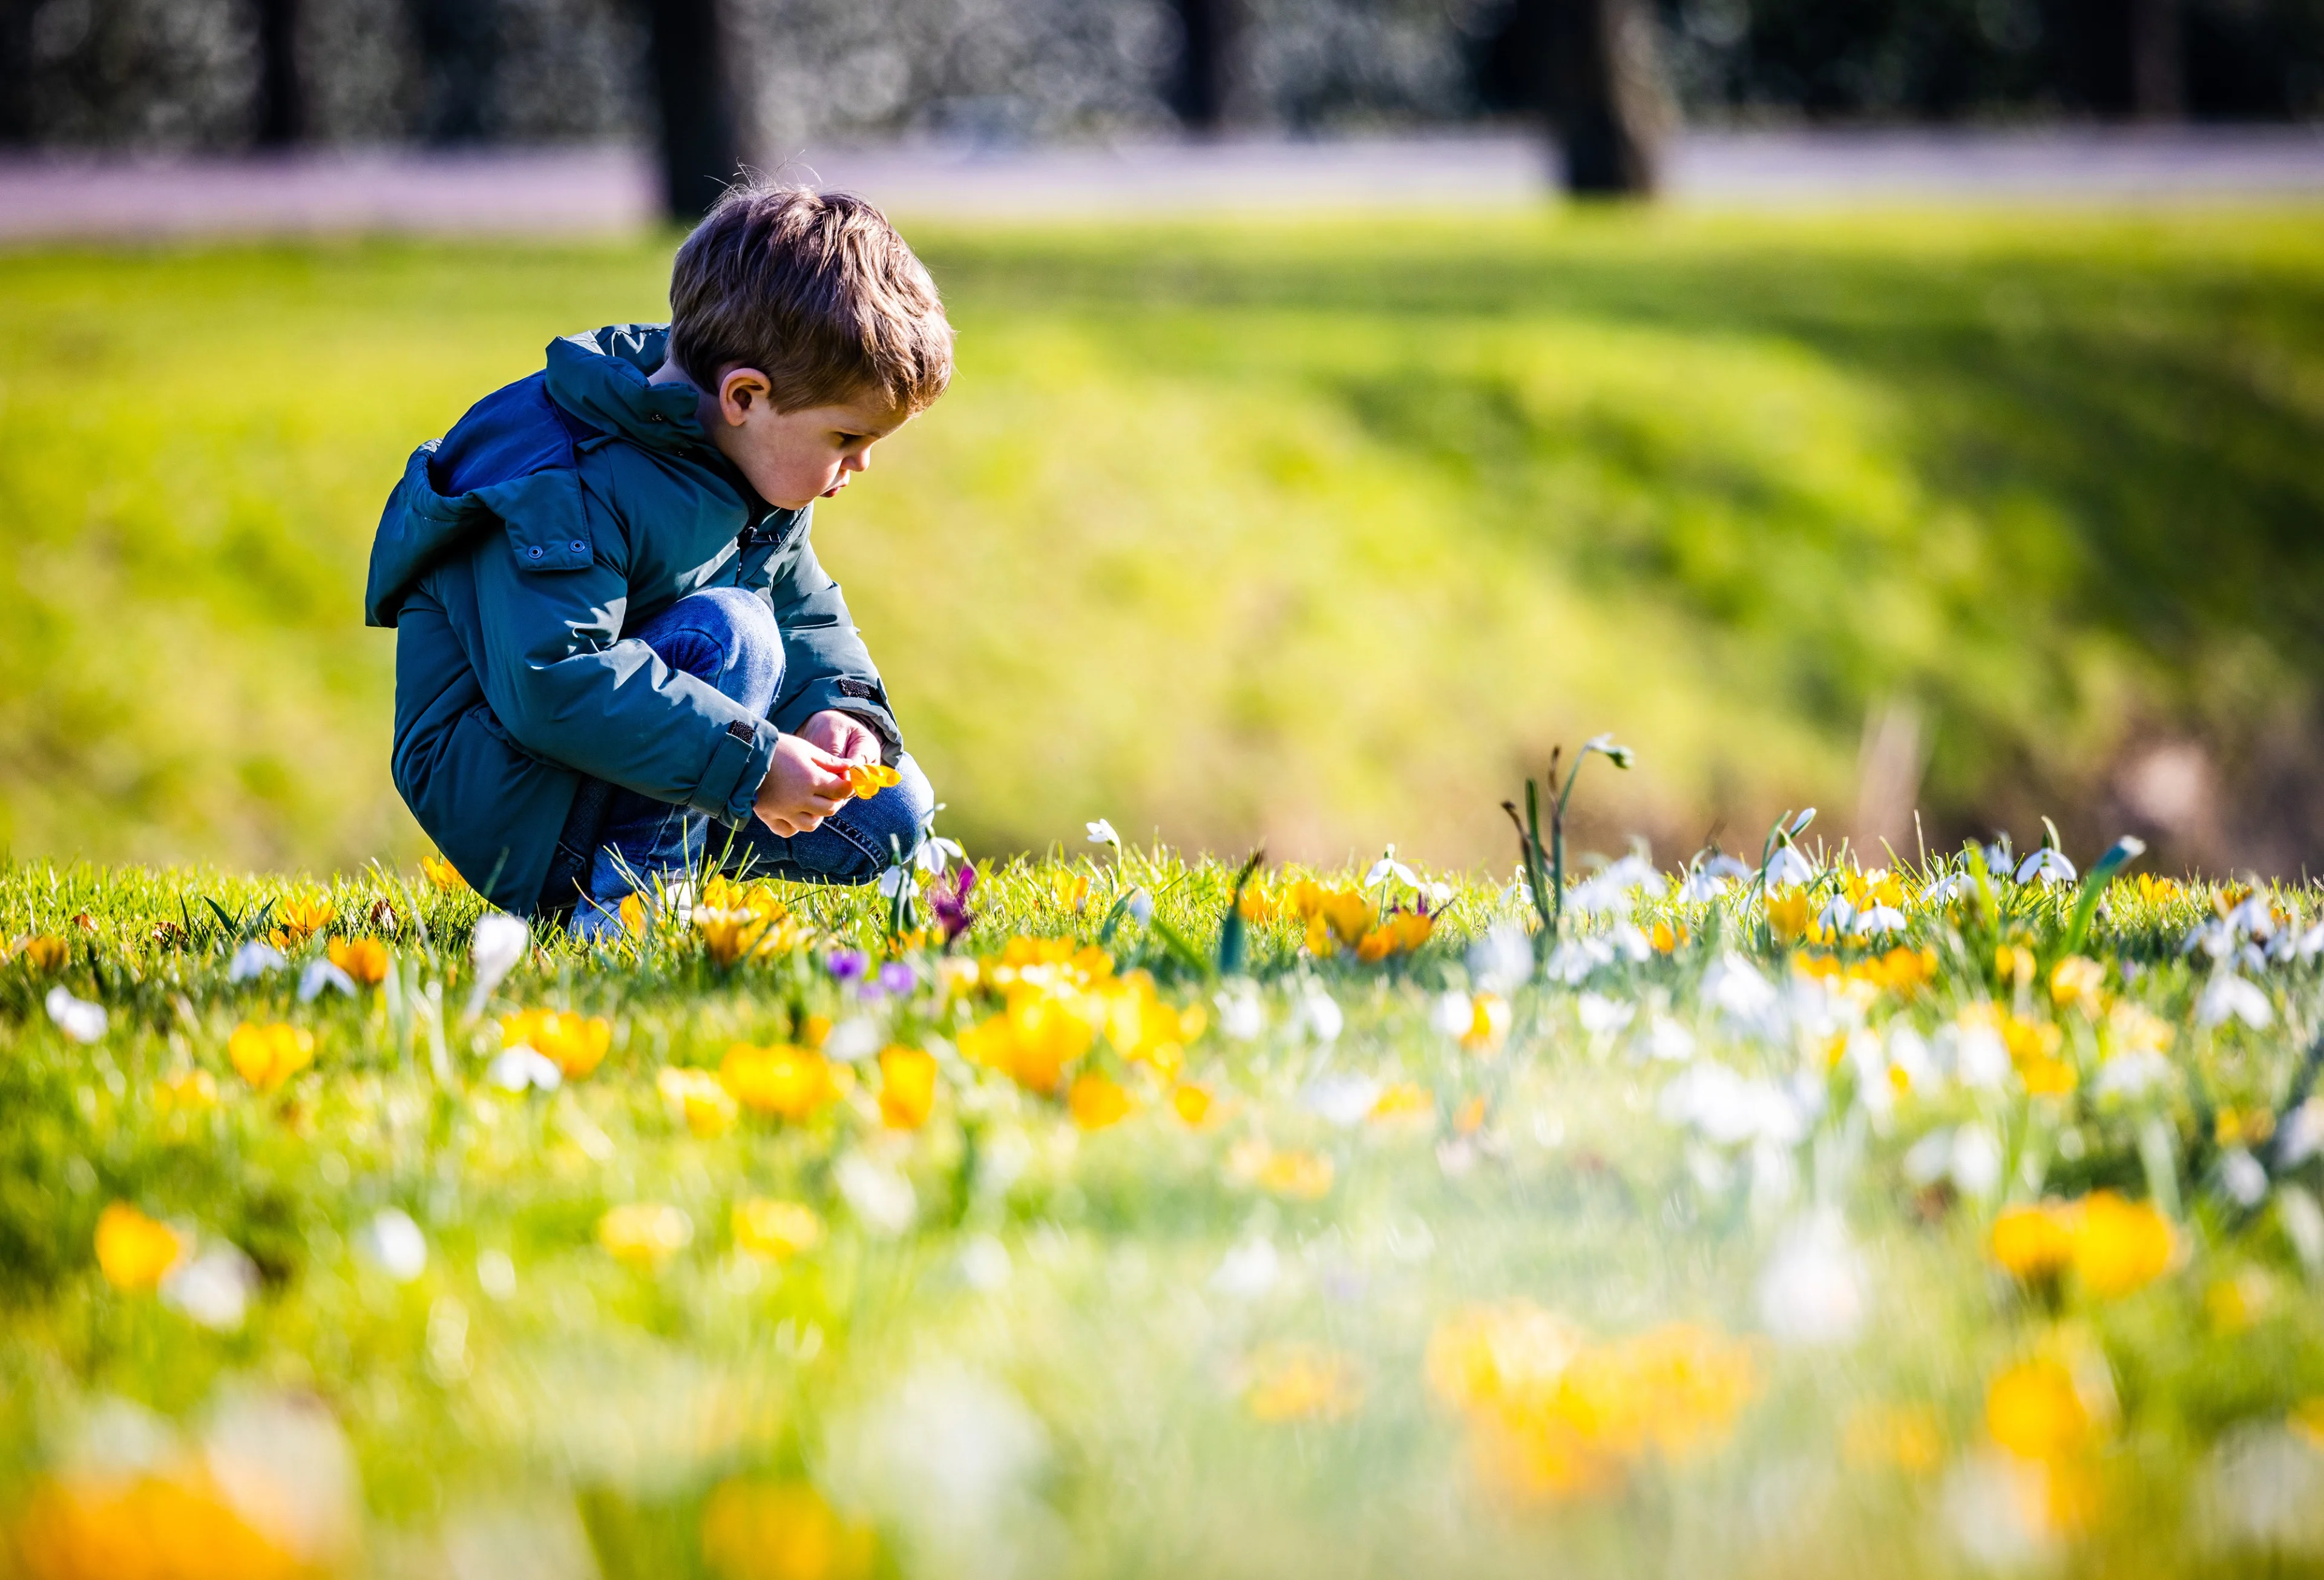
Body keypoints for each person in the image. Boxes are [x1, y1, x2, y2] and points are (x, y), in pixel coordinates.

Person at [363, 185, 948, 935]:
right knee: (731, 631)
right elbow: (554, 684)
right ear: (745, 395)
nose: (861, 466)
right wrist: (756, 766)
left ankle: (653, 858)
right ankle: (630, 912)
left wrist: (838, 711)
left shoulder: (750, 457)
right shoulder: (566, 477)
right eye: (847, 439)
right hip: (519, 799)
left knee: (891, 814)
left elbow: (805, 614)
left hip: (629, 764)